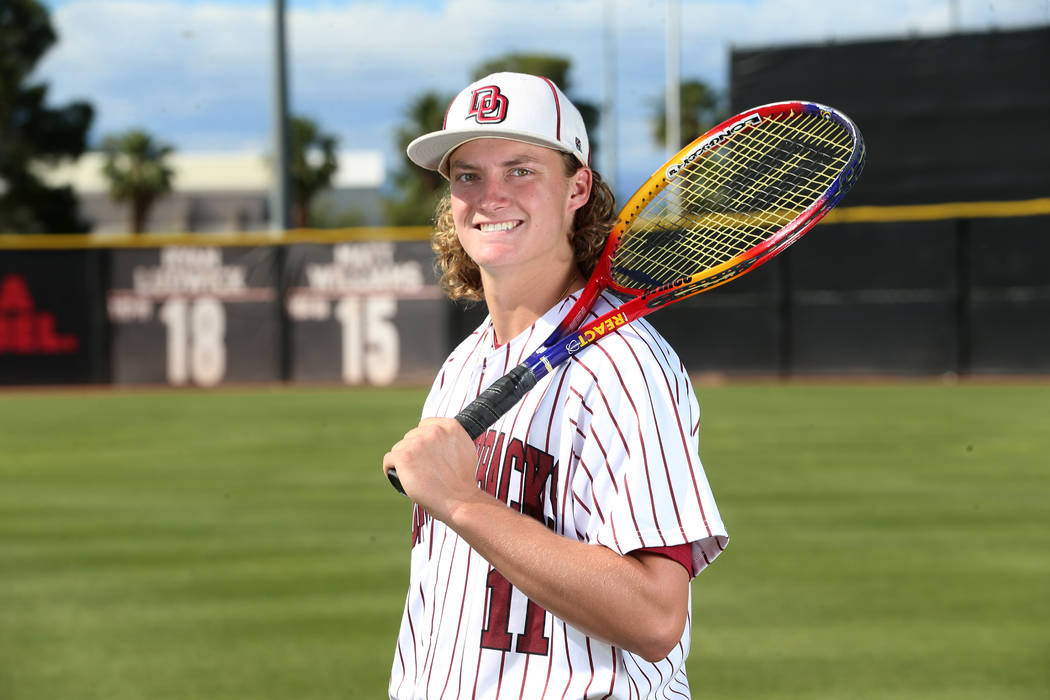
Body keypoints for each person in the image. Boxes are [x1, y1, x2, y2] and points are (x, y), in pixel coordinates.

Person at [382, 72, 729, 699]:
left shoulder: (624, 365)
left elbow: (655, 617)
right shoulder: (463, 366)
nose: (490, 196)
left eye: (521, 170)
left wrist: (463, 503)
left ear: (578, 188)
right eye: (468, 175)